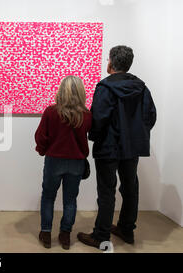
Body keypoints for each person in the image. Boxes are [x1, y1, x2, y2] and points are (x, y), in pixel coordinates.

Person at [77, 45, 157, 249]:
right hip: (131, 148)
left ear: (111, 62)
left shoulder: (105, 87)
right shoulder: (141, 87)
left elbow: (99, 118)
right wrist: (137, 135)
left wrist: (93, 136)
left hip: (108, 147)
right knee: (130, 188)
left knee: (106, 191)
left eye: (107, 60)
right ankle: (126, 229)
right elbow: (150, 116)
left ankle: (101, 236)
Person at [35, 75, 92, 250]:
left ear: (62, 91)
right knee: (70, 200)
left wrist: (42, 150)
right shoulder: (87, 115)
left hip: (54, 160)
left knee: (48, 197)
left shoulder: (51, 112)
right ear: (81, 92)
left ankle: (46, 233)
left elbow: (40, 136)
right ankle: (65, 235)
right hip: (76, 162)